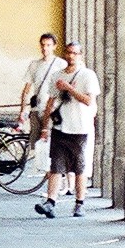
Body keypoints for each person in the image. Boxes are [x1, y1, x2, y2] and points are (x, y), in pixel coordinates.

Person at [34, 41, 101, 219]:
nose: (71, 56)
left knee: (79, 168)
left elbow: (89, 101)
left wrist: (69, 88)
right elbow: (50, 102)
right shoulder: (57, 75)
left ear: (80, 56)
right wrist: (45, 126)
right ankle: (50, 202)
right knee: (56, 166)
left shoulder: (88, 76)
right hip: (60, 127)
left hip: (80, 128)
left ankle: (79, 204)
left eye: (74, 53)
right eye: (68, 53)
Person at [17, 32, 67, 148]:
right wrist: (22, 111)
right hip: (36, 109)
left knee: (50, 145)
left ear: (54, 46)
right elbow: (26, 89)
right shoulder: (34, 64)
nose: (45, 48)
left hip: (52, 110)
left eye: (48, 45)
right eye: (43, 45)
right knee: (35, 146)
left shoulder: (61, 64)